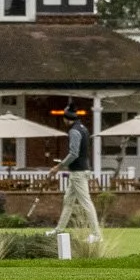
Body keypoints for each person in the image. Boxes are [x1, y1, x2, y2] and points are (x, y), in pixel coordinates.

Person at [52, 100, 101, 244]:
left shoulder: (74, 131)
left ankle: (96, 235)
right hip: (80, 171)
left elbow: (73, 153)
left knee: (86, 202)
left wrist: (58, 167)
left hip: (78, 172)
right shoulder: (83, 128)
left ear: (66, 119)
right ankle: (59, 230)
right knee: (68, 201)